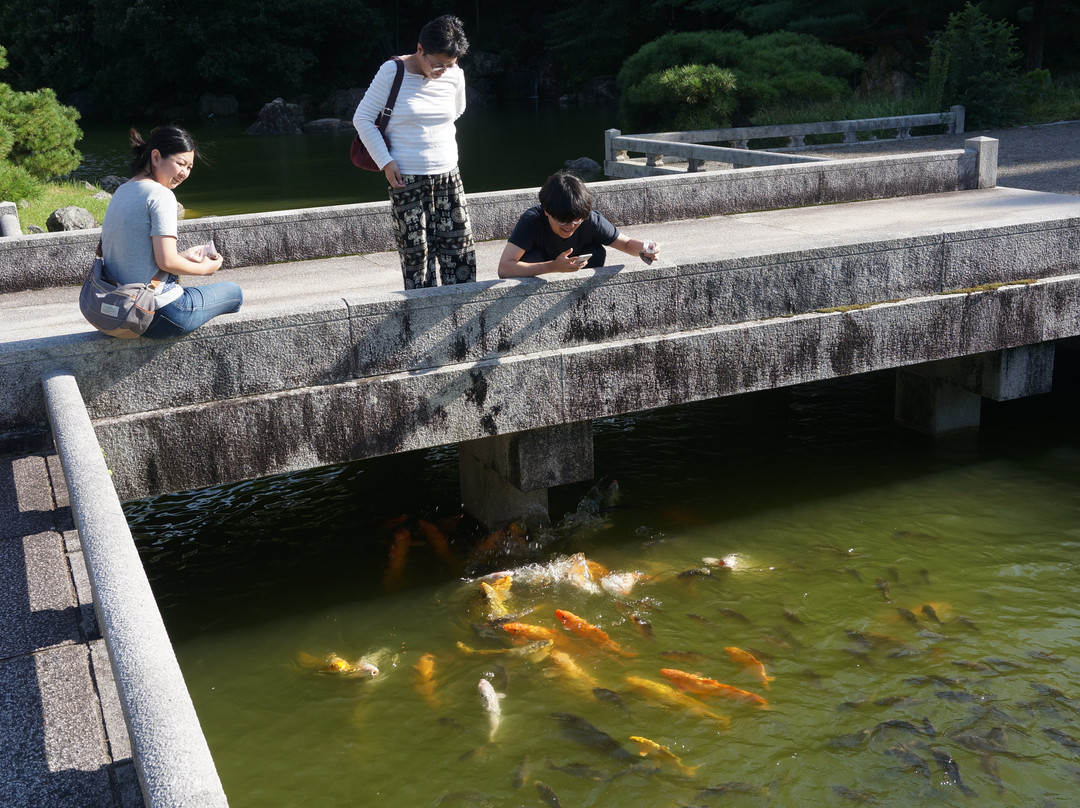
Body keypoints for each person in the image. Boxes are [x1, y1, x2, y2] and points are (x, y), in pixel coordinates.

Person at [353, 14, 476, 290]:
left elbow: (457, 111)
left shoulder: (456, 75)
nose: (442, 70)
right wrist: (385, 161)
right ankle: (421, 323)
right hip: (406, 178)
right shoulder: (392, 72)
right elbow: (361, 119)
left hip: (449, 175)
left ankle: (461, 318)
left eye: (449, 64)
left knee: (460, 253)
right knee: (417, 257)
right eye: (437, 64)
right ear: (420, 49)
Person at [99, 125, 242, 339]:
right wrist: (207, 268)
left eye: (190, 167)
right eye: (180, 164)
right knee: (234, 293)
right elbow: (166, 262)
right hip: (157, 313)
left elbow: (131, 256)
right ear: (156, 157)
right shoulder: (161, 195)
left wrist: (182, 257)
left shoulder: (122, 191)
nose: (185, 173)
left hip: (116, 310)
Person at [498, 171, 660, 278]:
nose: (570, 226)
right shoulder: (532, 220)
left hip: (577, 280)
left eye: (576, 221)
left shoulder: (589, 219)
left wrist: (645, 247)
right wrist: (553, 266)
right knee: (532, 257)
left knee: (597, 252)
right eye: (563, 220)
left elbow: (626, 244)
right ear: (546, 211)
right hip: (536, 282)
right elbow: (504, 268)